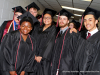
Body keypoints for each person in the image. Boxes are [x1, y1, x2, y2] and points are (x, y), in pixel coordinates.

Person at [71, 7, 100, 75]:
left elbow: (97, 65)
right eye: (85, 20)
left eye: (90, 20)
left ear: (96, 21)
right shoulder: (82, 35)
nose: (87, 23)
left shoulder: (98, 38)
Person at [31, 8, 57, 75]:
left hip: (44, 58)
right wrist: (34, 54)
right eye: (45, 18)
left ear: (52, 19)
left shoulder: (53, 29)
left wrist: (41, 56)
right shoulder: (38, 28)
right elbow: (33, 40)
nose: (46, 19)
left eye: (48, 18)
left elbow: (50, 43)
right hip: (35, 56)